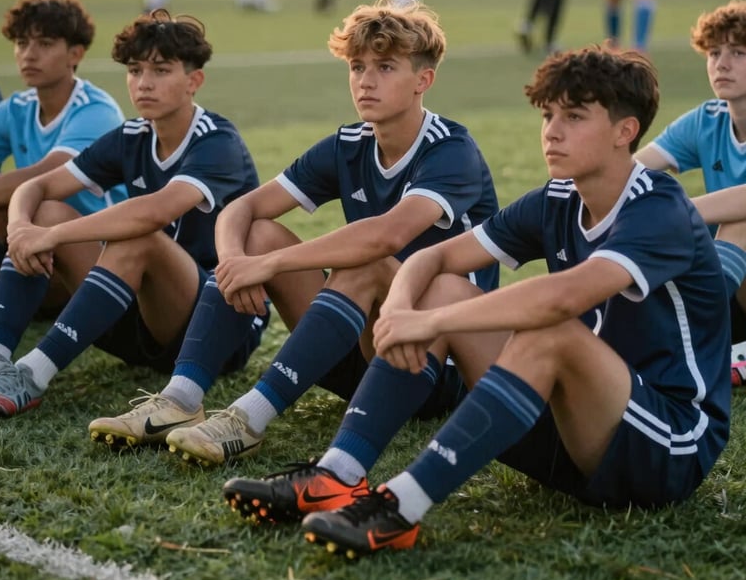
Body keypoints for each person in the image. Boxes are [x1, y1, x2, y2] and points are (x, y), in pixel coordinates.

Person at [222, 46, 729, 554]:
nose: (552, 131)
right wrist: (401, 310)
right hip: (573, 435)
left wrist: (433, 321)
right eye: (549, 114)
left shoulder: (660, 209)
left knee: (548, 332)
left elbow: (562, 297)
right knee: (441, 287)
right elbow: (434, 260)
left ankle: (402, 505)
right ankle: (337, 473)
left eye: (574, 117)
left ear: (626, 131)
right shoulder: (556, 200)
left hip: (667, 446)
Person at [94, 0, 499, 463]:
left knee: (363, 259)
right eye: (358, 66)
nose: (366, 80)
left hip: (430, 366)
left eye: (386, 67)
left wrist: (268, 265)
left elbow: (385, 236)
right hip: (362, 349)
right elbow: (242, 208)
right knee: (257, 233)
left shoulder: (451, 150)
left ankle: (247, 418)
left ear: (423, 81)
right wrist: (234, 262)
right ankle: (180, 400)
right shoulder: (349, 144)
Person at [0, 11, 264, 416]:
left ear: (193, 81)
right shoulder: (133, 135)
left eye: (161, 70)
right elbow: (36, 186)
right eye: (134, 70)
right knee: (47, 211)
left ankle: (31, 375)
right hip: (139, 320)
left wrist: (53, 237)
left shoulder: (217, 141)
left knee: (140, 237)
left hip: (215, 330)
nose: (144, 82)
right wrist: (22, 226)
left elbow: (154, 212)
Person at [0, 0, 125, 306]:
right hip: (36, 248)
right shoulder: (17, 108)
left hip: (90, 260)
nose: (28, 55)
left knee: (25, 202)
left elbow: (46, 175)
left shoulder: (96, 111)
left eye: (44, 44)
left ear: (76, 53)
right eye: (21, 43)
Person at [635, 0, 746, 367]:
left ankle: (679, 342)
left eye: (738, 53)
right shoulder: (707, 119)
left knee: (738, 221)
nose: (722, 64)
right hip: (730, 286)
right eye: (714, 52)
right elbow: (633, 171)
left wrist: (678, 212)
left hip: (727, 279)